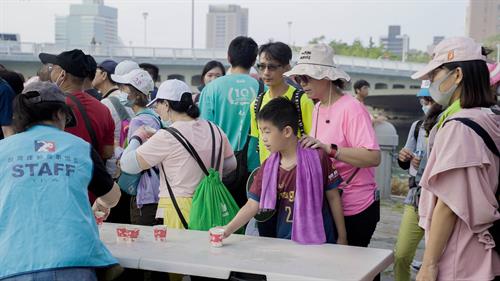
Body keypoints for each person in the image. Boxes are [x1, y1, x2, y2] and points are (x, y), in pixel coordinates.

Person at [0, 81, 121, 281]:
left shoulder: (3, 149)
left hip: (13, 261)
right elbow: (112, 195)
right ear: (59, 113)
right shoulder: (80, 147)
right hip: (75, 261)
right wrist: (101, 203)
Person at [411, 37, 500, 281]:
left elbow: (448, 205)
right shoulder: (487, 117)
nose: (430, 82)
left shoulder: (459, 126)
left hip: (459, 255)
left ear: (457, 74)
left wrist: (428, 265)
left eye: (435, 74)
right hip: (480, 249)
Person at [286, 44, 381, 249]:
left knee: (356, 267)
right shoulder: (318, 106)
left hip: (357, 204)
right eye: (299, 79)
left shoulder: (352, 108)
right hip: (330, 201)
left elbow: (373, 157)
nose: (302, 84)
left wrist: (330, 149)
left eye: (307, 77)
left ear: (326, 77)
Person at [223, 97, 347, 245]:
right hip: (285, 242)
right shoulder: (268, 166)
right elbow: (252, 205)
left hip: (321, 241)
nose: (263, 138)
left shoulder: (318, 157)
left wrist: (342, 236)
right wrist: (227, 229)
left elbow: (333, 197)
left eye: (267, 131)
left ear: (287, 131)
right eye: (261, 132)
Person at [198, 36, 260, 207]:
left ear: (229, 57)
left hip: (220, 166)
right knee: (248, 221)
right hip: (255, 166)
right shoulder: (263, 89)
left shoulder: (212, 88)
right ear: (254, 60)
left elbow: (204, 132)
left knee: (221, 219)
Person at [393, 81, 442, 281]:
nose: (425, 103)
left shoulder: (450, 124)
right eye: (423, 100)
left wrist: (427, 162)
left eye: (429, 99)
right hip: (415, 197)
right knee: (401, 255)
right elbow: (405, 161)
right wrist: (404, 157)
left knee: (439, 260)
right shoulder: (417, 126)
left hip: (440, 199)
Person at [38, 49, 115, 163]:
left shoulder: (51, 107)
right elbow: (107, 152)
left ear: (62, 74)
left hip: (59, 171)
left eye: (53, 67)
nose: (50, 71)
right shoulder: (103, 109)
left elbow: (40, 147)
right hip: (91, 174)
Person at [112, 68, 162, 226]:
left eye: (124, 88)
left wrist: (117, 149)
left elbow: (134, 159)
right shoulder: (153, 116)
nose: (120, 91)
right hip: (156, 188)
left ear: (135, 93)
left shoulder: (139, 121)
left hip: (145, 191)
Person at [251, 41, 314, 163]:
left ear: (287, 68)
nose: (266, 72)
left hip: (297, 173)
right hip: (267, 174)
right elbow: (257, 143)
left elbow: (314, 139)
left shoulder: (302, 101)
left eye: (272, 67)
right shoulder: (256, 104)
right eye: (262, 66)